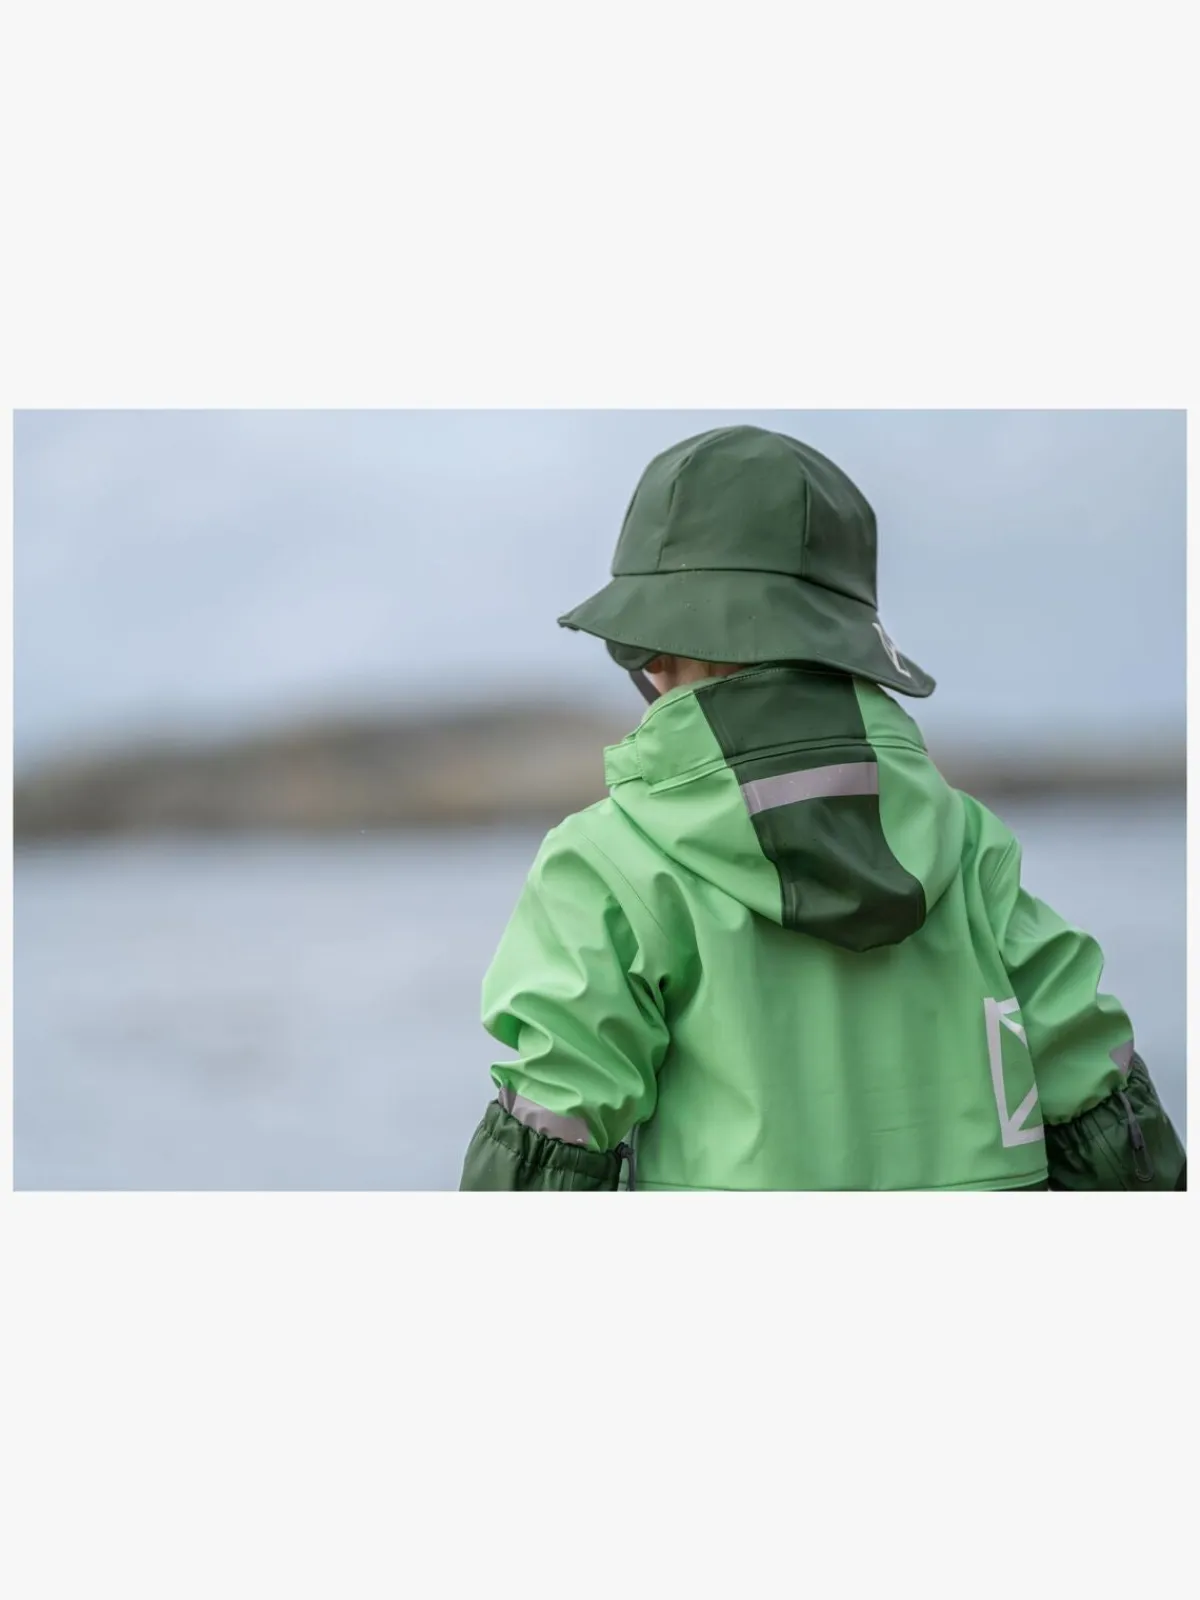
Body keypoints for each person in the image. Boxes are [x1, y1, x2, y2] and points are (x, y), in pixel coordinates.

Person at [459, 425, 1186, 1191]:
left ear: (655, 652)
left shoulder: (609, 863)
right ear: (847, 647)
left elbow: (556, 1128)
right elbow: (1097, 1092)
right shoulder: (970, 844)